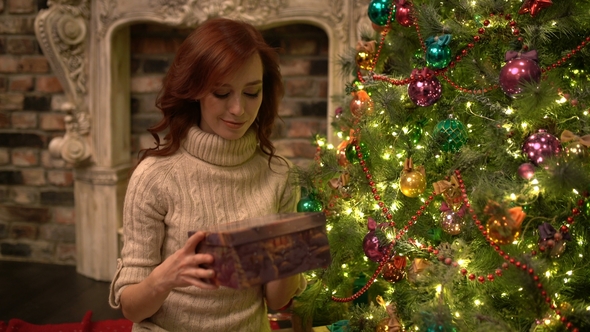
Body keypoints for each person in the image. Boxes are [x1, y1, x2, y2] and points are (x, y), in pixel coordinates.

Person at [109, 17, 306, 331]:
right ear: (195, 91)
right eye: (222, 93)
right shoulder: (154, 177)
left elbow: (277, 303)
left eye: (252, 93)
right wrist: (164, 279)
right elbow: (131, 309)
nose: (239, 109)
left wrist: (290, 256)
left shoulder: (279, 174)